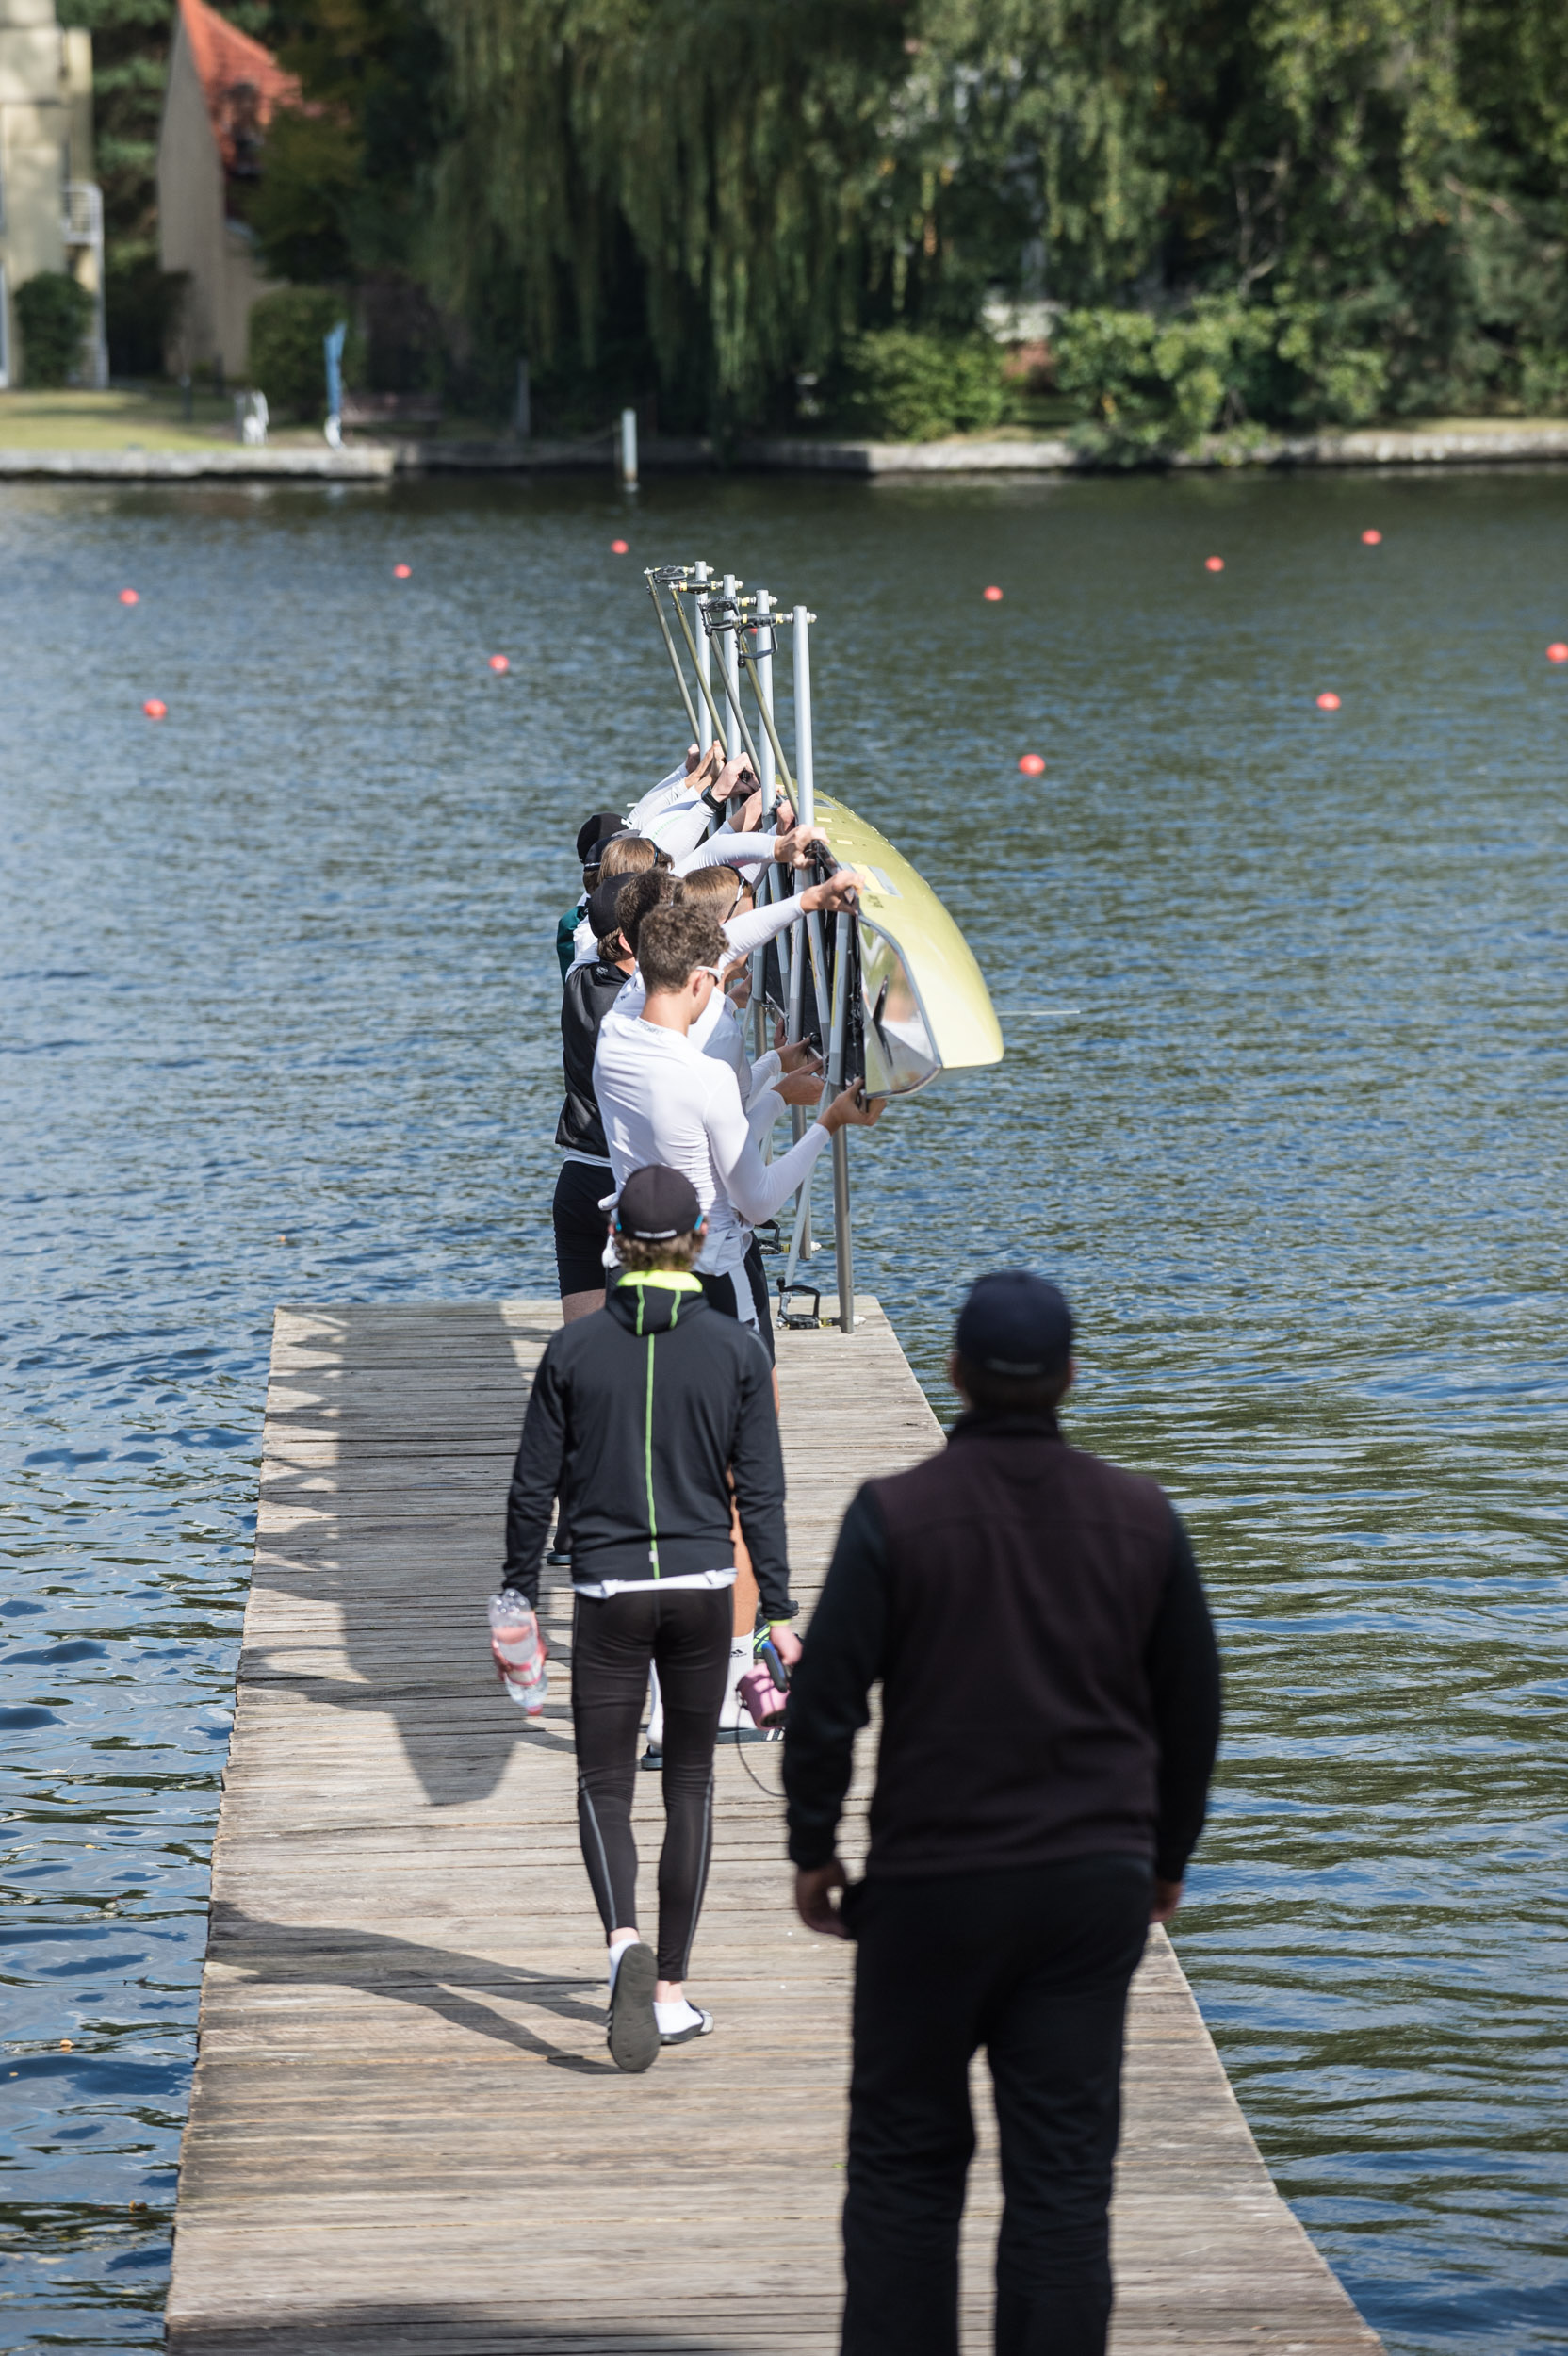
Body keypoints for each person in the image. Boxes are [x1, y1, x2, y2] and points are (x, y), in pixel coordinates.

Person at [782, 1270, 1222, 2356]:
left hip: (931, 1893)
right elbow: (1194, 1705)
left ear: (955, 1376)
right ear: (1069, 1379)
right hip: (1089, 1894)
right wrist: (1163, 1858)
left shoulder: (895, 1515)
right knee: (1062, 2184)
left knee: (902, 2171)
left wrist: (812, 1848)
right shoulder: (1140, 1518)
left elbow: (826, 1699)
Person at [500, 1163, 803, 2072]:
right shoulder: (738, 1353)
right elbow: (764, 1497)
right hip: (707, 1591)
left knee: (603, 1784)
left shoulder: (573, 1352)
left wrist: (518, 1596)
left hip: (607, 1592)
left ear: (614, 1246)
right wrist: (778, 1613)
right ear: (700, 1240)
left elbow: (529, 1493)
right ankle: (669, 1992)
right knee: (692, 1788)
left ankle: (621, 1944)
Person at [553, 875, 637, 1324]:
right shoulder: (638, 1006)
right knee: (638, 1354)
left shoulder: (576, 976)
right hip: (624, 1189)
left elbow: (589, 921)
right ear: (626, 939)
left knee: (585, 1351)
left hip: (575, 1183)